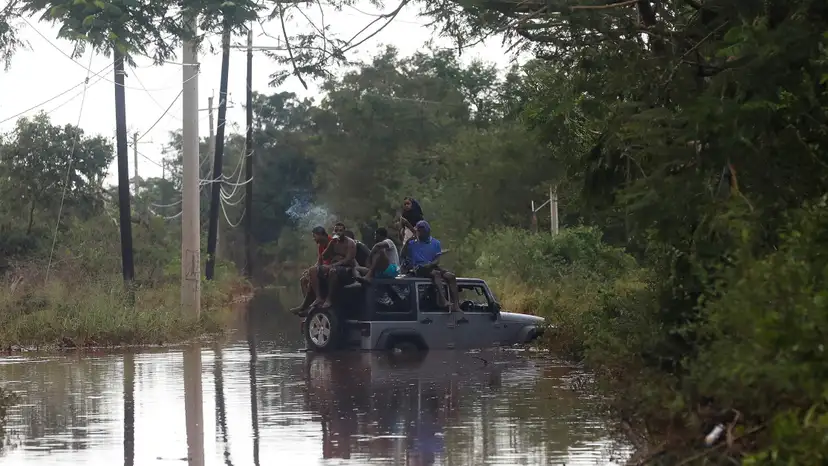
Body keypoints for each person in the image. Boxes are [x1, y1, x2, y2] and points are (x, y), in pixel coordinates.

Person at [402, 220, 463, 316]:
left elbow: (437, 259)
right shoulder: (413, 243)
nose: (420, 233)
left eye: (423, 231)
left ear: (427, 231)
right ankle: (443, 300)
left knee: (451, 276)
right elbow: (403, 254)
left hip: (431, 266)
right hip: (419, 267)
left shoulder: (435, 243)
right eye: (419, 231)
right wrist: (408, 241)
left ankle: (456, 305)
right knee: (436, 274)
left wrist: (430, 265)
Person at [291, 226, 333, 316]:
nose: (314, 239)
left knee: (313, 271)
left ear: (321, 235)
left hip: (331, 268)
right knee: (304, 280)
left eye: (315, 236)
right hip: (322, 269)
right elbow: (319, 261)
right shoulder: (321, 245)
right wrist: (308, 271)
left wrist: (314, 269)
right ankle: (308, 306)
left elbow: (334, 260)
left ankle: (318, 298)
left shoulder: (331, 242)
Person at [312, 231, 358, 309]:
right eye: (336, 231)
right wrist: (330, 245)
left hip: (346, 268)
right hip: (334, 265)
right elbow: (324, 256)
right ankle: (318, 298)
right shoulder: (334, 242)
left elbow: (348, 260)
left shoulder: (350, 244)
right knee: (313, 270)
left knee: (333, 271)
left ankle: (329, 299)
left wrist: (333, 265)